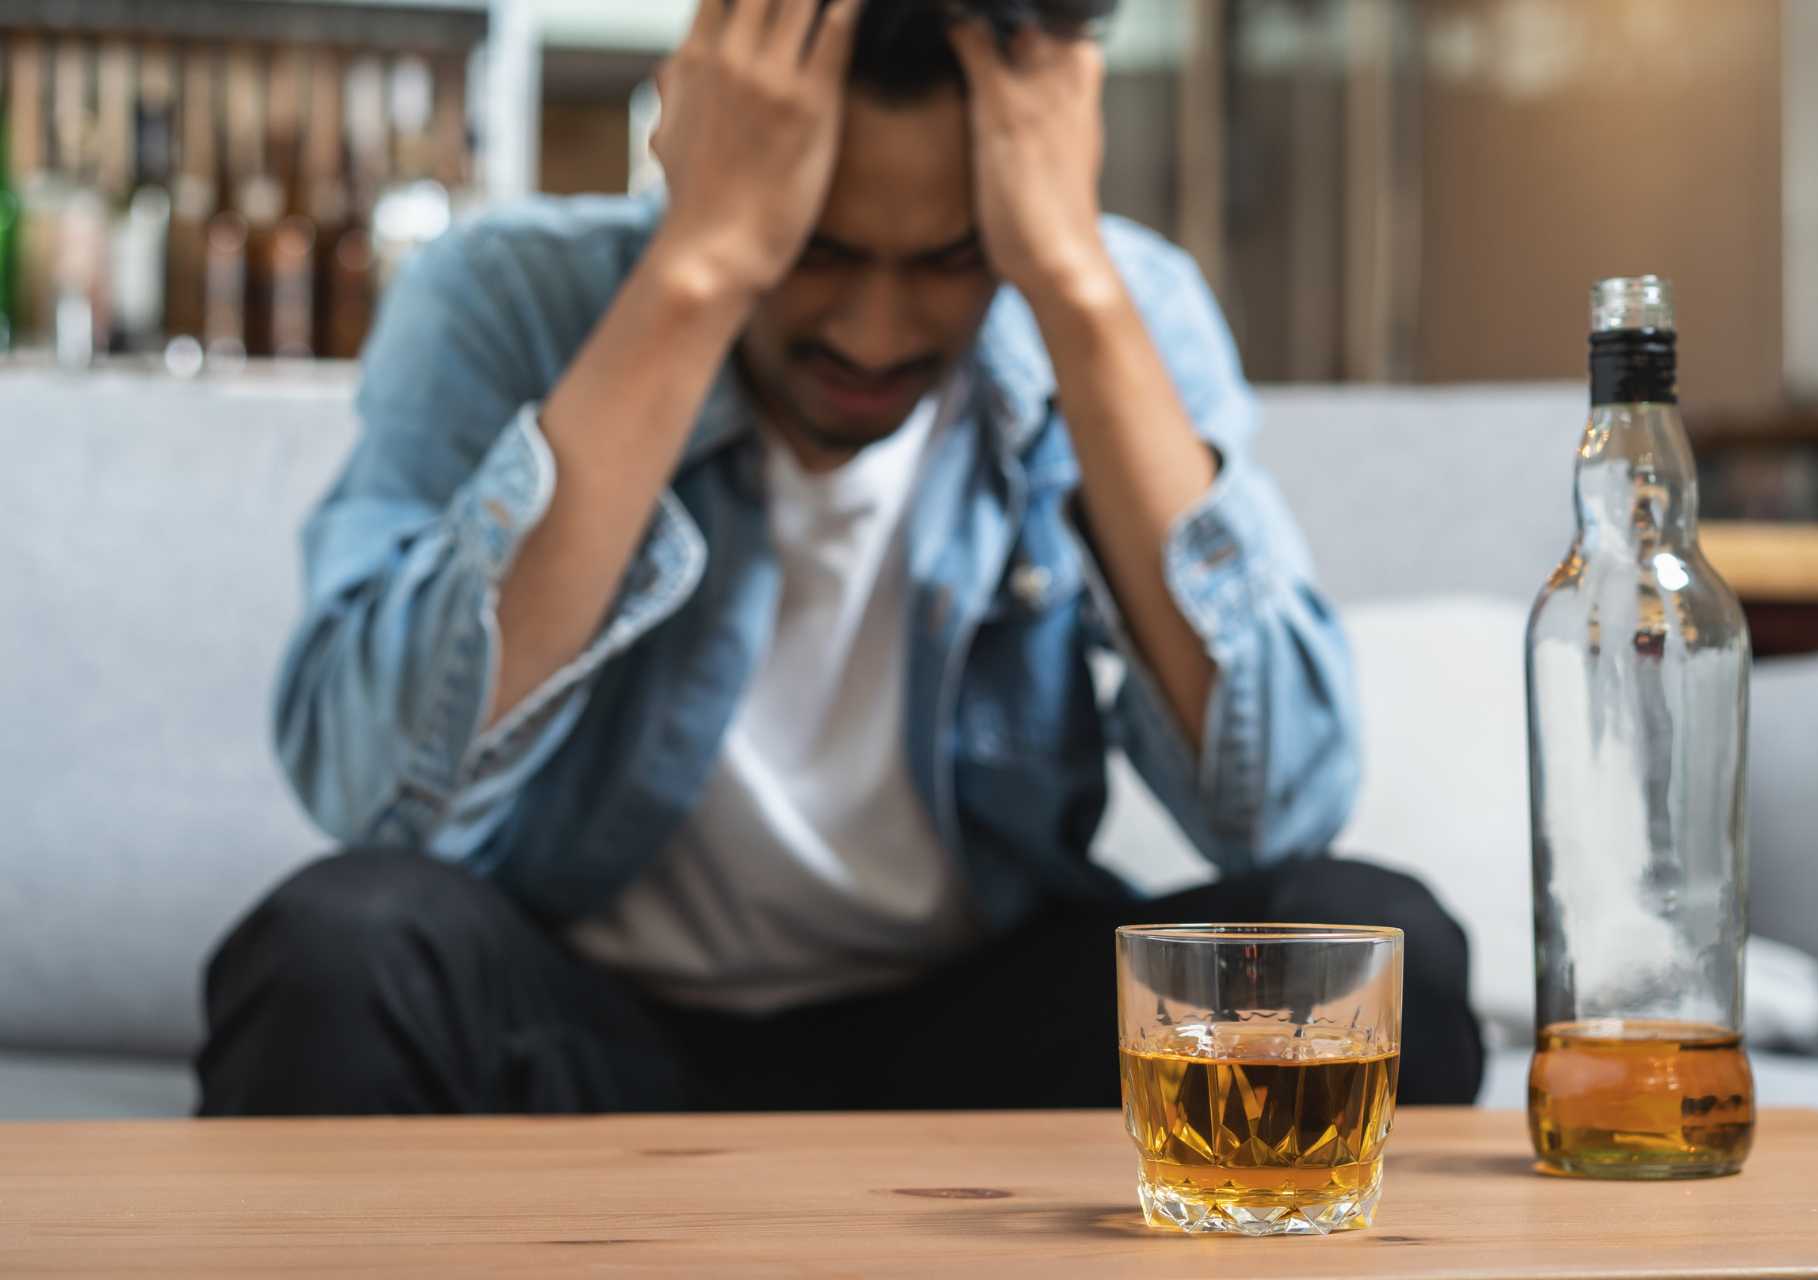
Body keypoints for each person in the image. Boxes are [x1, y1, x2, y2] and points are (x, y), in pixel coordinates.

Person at [198, 0, 1483, 1115]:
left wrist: (1070, 279)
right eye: (811, 249)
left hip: (979, 1030)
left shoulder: (1111, 307)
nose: (873, 335)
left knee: (1381, 956)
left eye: (947, 260)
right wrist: (698, 271)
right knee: (331, 951)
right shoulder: (507, 297)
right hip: (585, 1025)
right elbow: (378, 801)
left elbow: (1280, 805)